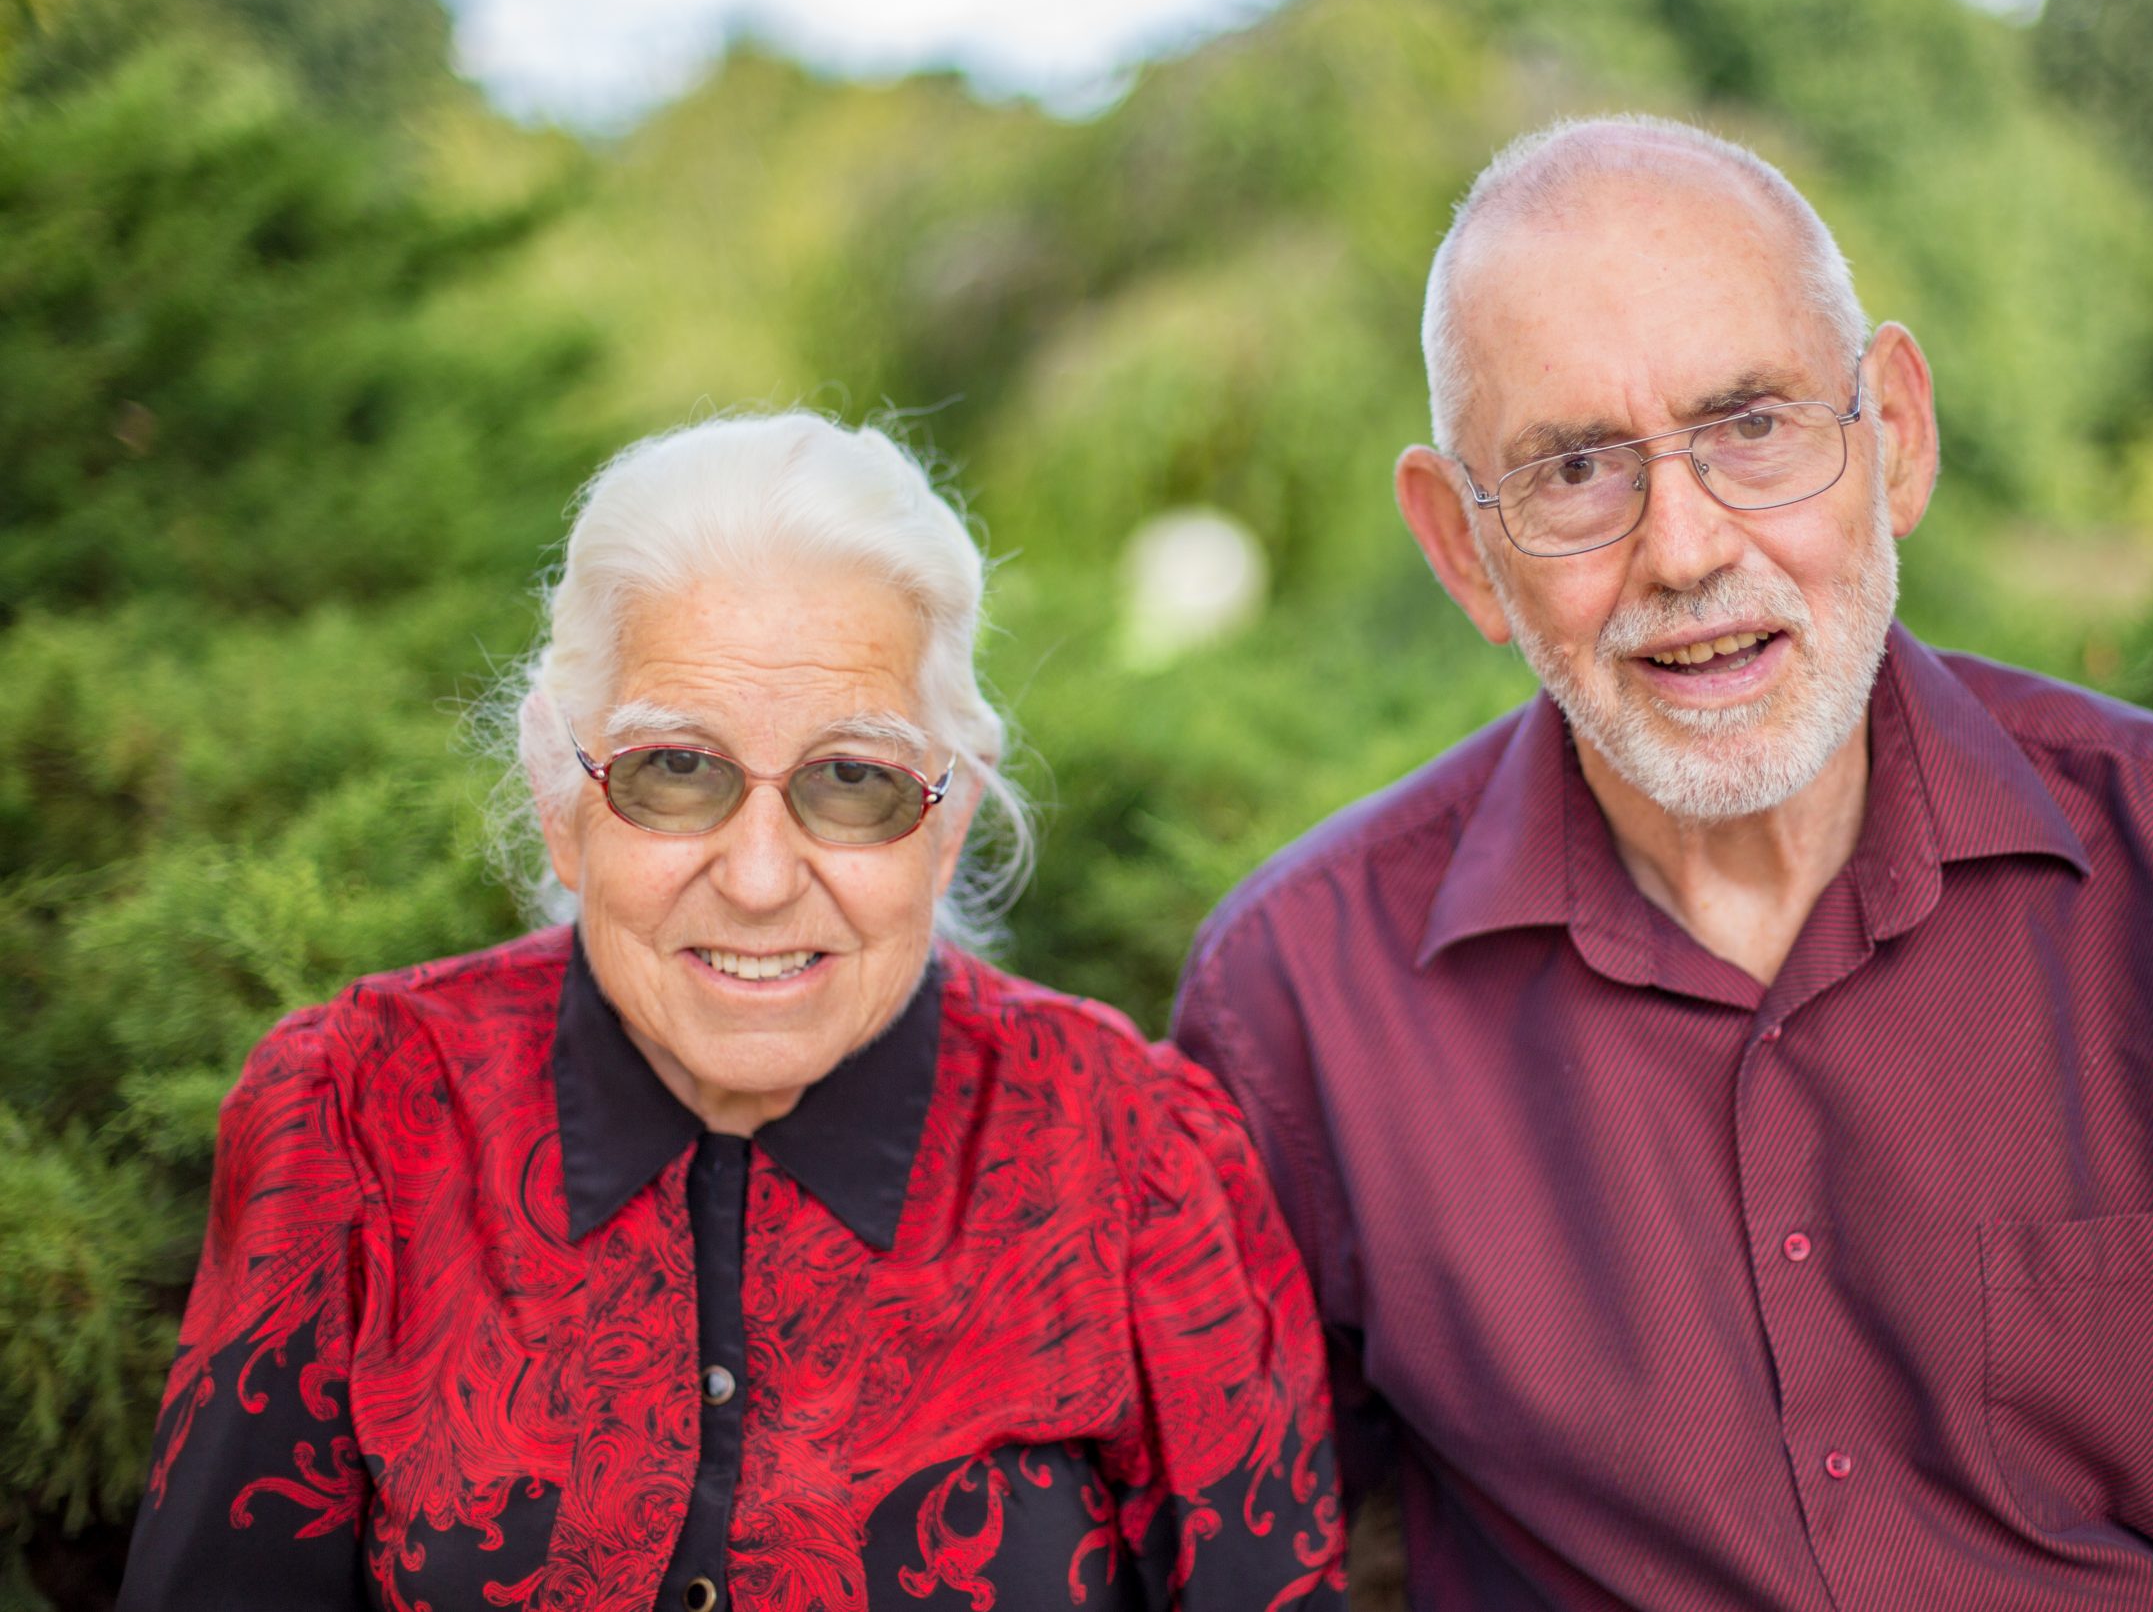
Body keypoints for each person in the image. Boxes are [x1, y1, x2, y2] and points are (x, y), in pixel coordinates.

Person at [1172, 115, 2153, 1609]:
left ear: (1896, 431)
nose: (1684, 548)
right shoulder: (1300, 999)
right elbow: (1236, 1549)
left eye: (1752, 425)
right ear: (1459, 546)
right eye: (1574, 468)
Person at [122, 414, 1348, 1612]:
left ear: (950, 814)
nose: (760, 878)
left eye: (855, 780)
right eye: (675, 769)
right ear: (562, 794)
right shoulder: (357, 1119)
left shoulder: (1138, 1160)